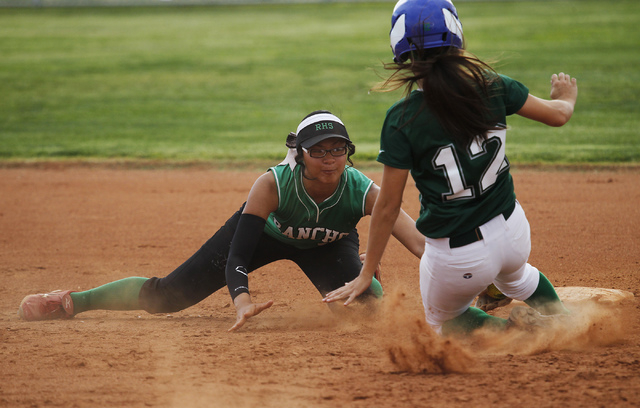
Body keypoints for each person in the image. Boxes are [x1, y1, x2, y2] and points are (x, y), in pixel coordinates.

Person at [18, 110, 425, 332]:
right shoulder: (271, 185)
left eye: (338, 149)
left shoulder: (361, 189)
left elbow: (421, 244)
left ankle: (364, 283)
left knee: (368, 312)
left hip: (328, 247)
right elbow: (238, 253)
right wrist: (241, 299)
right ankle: (73, 300)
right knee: (167, 297)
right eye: (318, 151)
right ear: (299, 154)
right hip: (264, 236)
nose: (329, 158)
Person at [323, 0, 578, 336]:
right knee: (518, 276)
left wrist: (366, 271)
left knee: (444, 320)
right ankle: (564, 321)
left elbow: (388, 206)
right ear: (457, 38)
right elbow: (559, 115)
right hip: (513, 231)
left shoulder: (403, 119)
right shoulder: (493, 84)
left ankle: (514, 332)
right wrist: (566, 95)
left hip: (459, 256)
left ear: (403, 53)